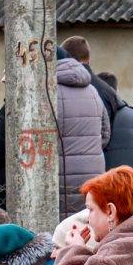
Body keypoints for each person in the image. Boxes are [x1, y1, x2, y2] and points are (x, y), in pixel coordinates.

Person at [60, 35, 133, 178]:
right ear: (88, 58)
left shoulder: (61, 86)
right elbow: (105, 133)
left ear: (65, 57)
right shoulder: (106, 90)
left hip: (70, 168)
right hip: (97, 165)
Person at [55, 52, 110, 198]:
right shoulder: (93, 91)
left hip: (60, 177)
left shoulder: (48, 92)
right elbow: (105, 135)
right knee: (88, 217)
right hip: (94, 177)